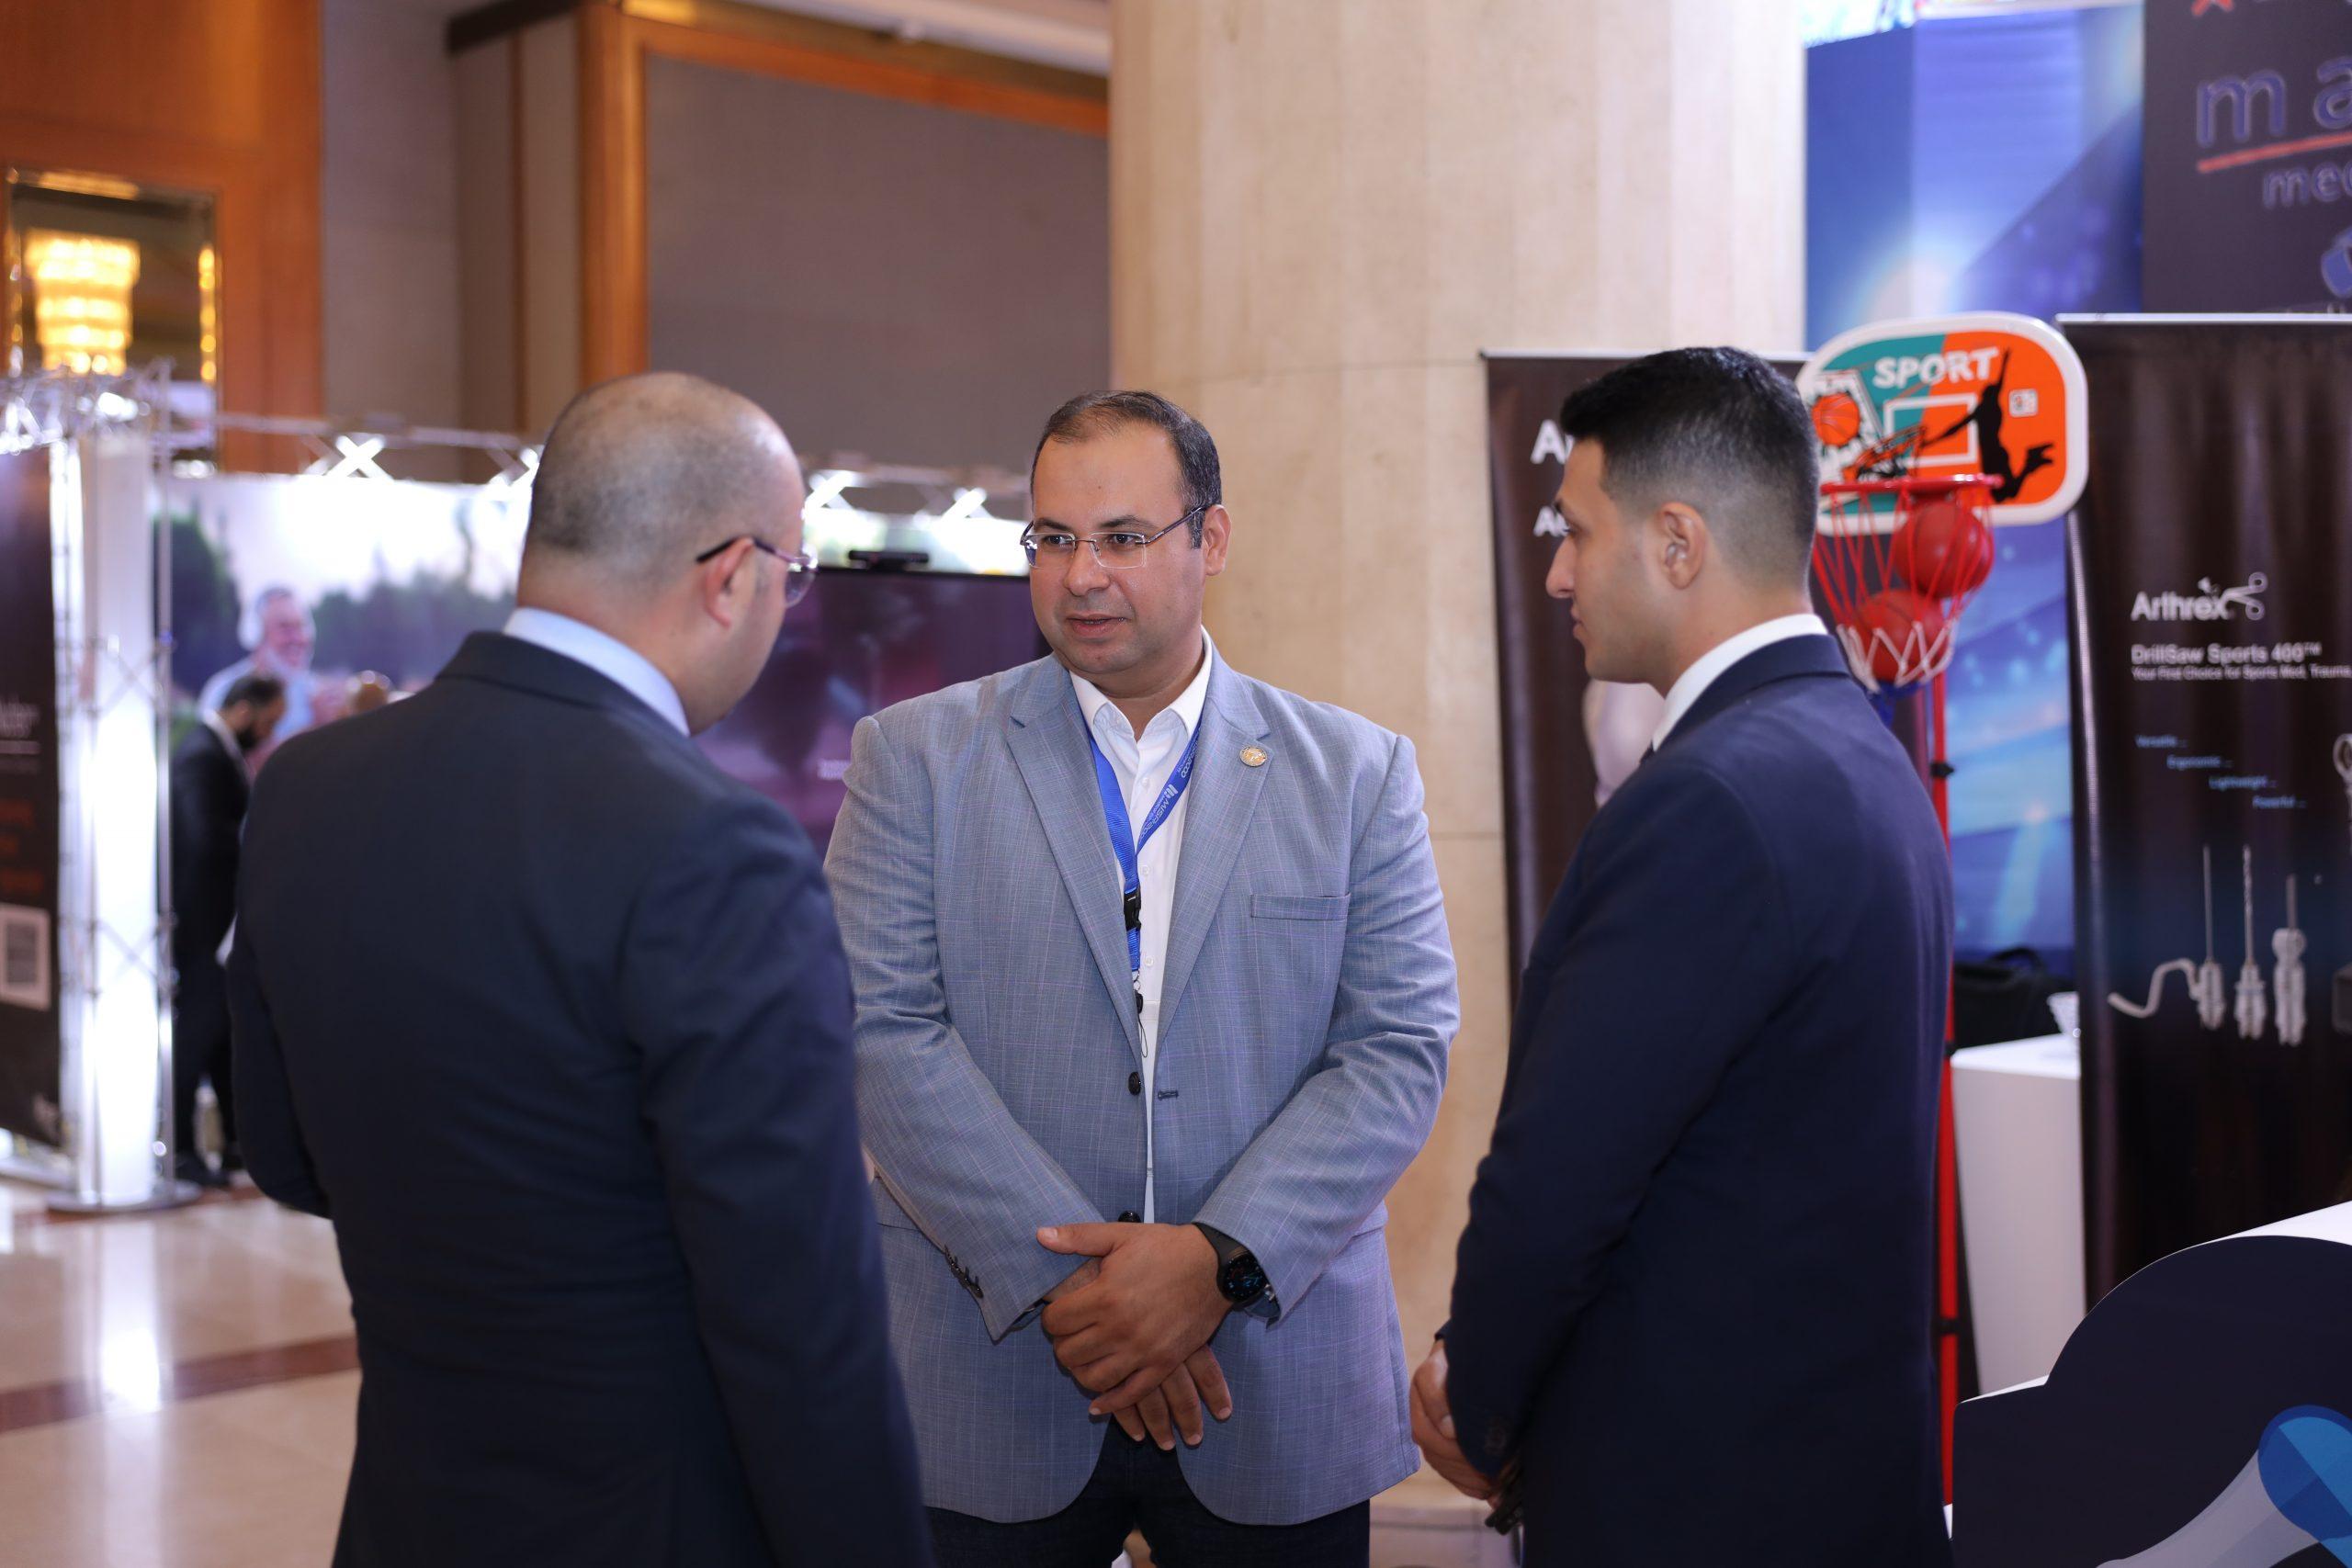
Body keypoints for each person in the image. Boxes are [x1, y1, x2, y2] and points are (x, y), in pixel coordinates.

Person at [228, 372, 930, 1568]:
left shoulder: (308, 788)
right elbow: (798, 1322)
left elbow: (284, 1153)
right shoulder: (717, 847)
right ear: (732, 576)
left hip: (410, 1510)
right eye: (793, 572)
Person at [827, 390, 1459, 1567]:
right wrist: (1080, 1294)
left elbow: (1396, 1048)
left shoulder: (1354, 773)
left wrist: (1216, 1264)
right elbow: (881, 1031)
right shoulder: (913, 758)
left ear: (1209, 540)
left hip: (1271, 1382)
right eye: (1053, 538)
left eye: (1122, 537)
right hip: (991, 1382)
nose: (1081, 576)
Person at [1413, 348, 1953, 1566]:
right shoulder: (1864, 754)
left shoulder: (1712, 797)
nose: (1556, 572)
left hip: (1699, 1492)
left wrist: (1478, 1391)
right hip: (1829, 1469)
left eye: (1575, 531)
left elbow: (1566, 1170)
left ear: (1676, 542)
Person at [169, 671, 285, 1189]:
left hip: (220, 925)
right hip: (205, 925)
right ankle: (182, 1149)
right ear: (243, 711)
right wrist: (260, 845)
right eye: (268, 722)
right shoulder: (202, 755)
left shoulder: (215, 751)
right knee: (197, 1034)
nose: (269, 734)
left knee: (221, 1034)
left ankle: (235, 1144)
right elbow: (203, 835)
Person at [199, 586, 320, 753]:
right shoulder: (222, 689)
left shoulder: (315, 692)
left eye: (300, 626)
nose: (297, 638)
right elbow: (230, 761)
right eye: (284, 628)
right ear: (256, 633)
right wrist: (317, 726)